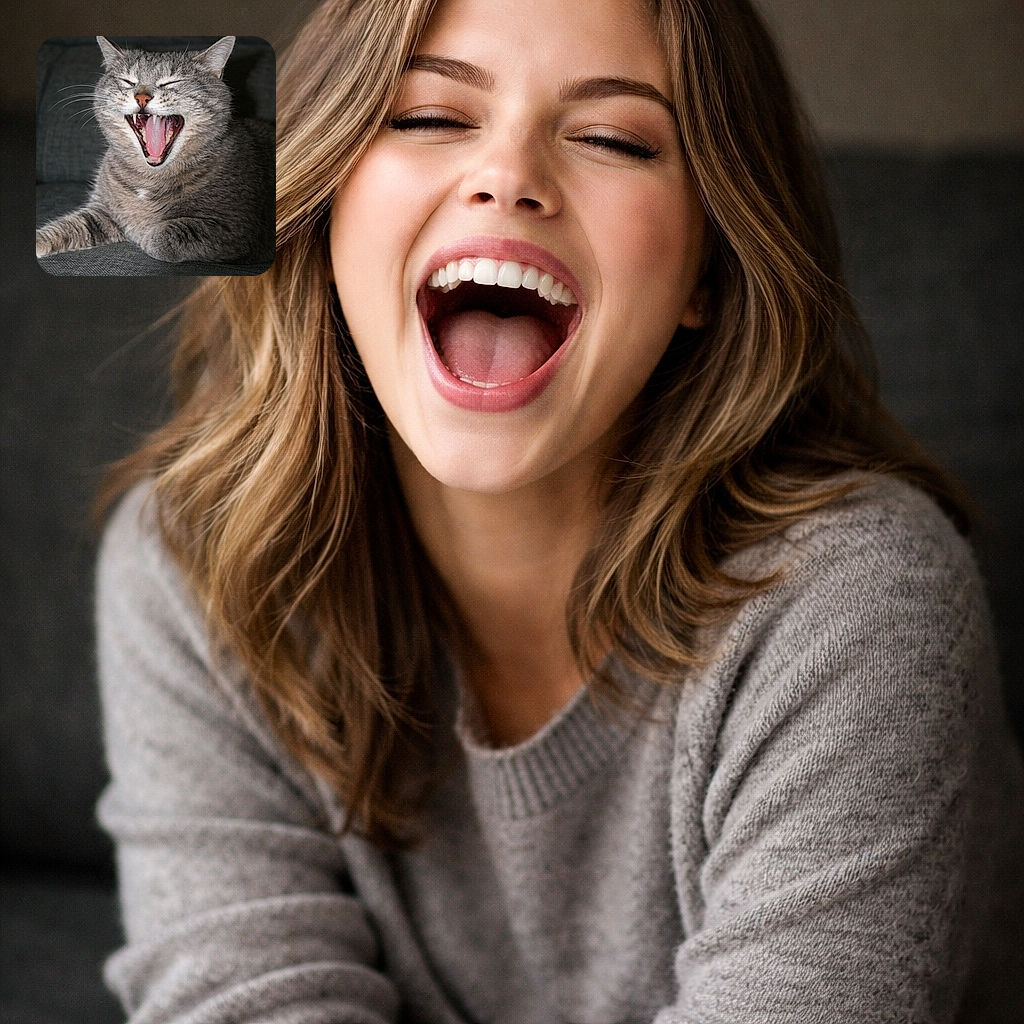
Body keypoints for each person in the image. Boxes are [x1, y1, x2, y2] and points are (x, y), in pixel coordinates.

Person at [94, 0, 1024, 1020]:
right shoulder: (193, 558)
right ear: (321, 206)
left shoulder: (860, 599)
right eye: (427, 117)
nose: (509, 178)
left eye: (612, 138)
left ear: (705, 271)